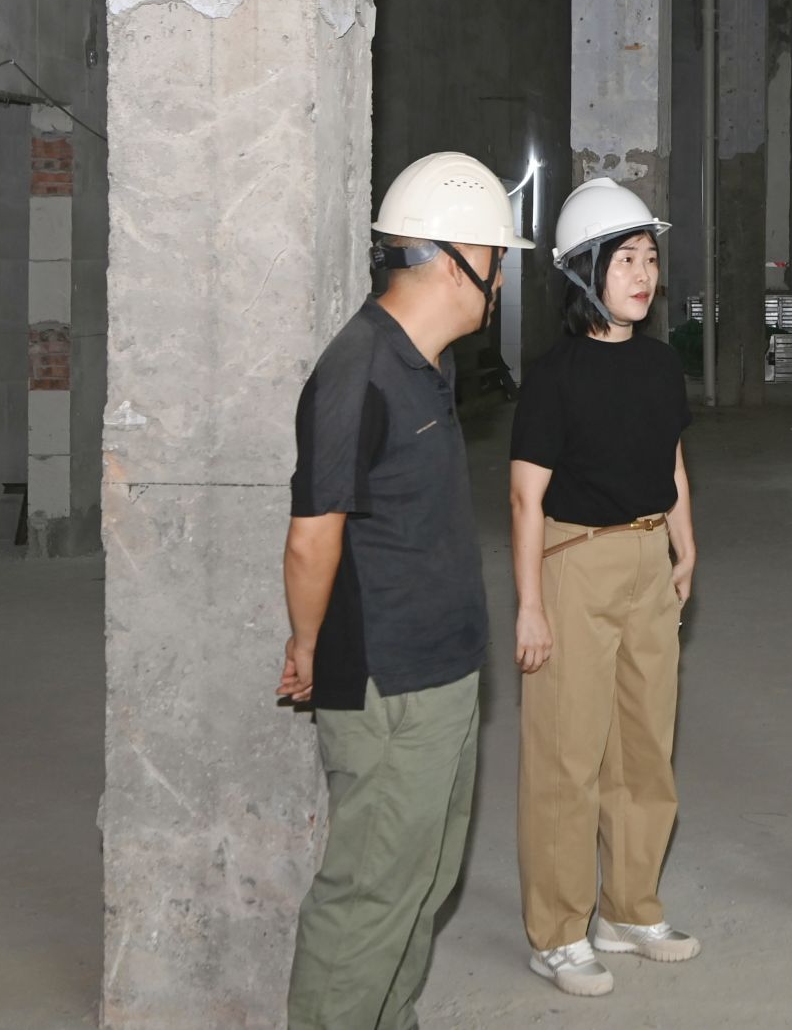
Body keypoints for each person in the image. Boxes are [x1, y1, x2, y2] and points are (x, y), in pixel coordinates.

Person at [278, 151, 532, 1030]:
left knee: (424, 881)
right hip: (391, 685)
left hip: (444, 671)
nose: (500, 278)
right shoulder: (358, 371)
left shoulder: (430, 363)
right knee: (370, 896)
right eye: (496, 257)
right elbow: (312, 535)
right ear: (456, 259)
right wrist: (307, 643)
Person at [507, 177, 701, 997]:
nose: (643, 274)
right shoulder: (554, 376)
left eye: (649, 258)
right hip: (576, 561)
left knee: (645, 743)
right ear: (584, 270)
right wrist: (529, 603)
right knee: (568, 753)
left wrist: (685, 543)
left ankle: (630, 906)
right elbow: (525, 495)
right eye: (625, 259)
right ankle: (557, 931)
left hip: (648, 557)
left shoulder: (659, 364)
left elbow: (672, 459)